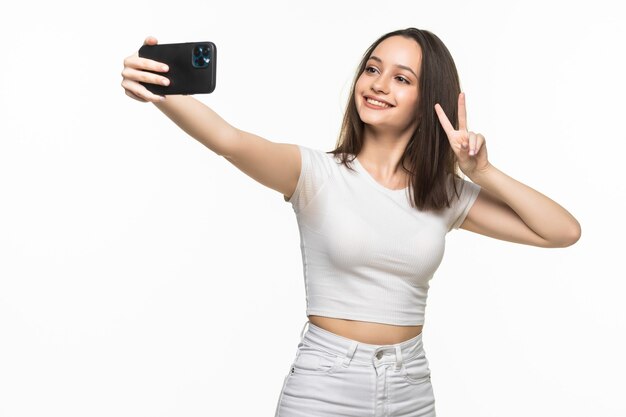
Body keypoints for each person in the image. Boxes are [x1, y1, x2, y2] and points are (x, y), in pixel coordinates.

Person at [121, 27, 581, 417]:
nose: (378, 84)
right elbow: (230, 141)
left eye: (401, 78)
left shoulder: (442, 194)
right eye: (372, 69)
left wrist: (481, 173)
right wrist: (162, 91)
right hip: (325, 384)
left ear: (429, 101)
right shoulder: (314, 174)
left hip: (412, 386)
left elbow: (561, 231)